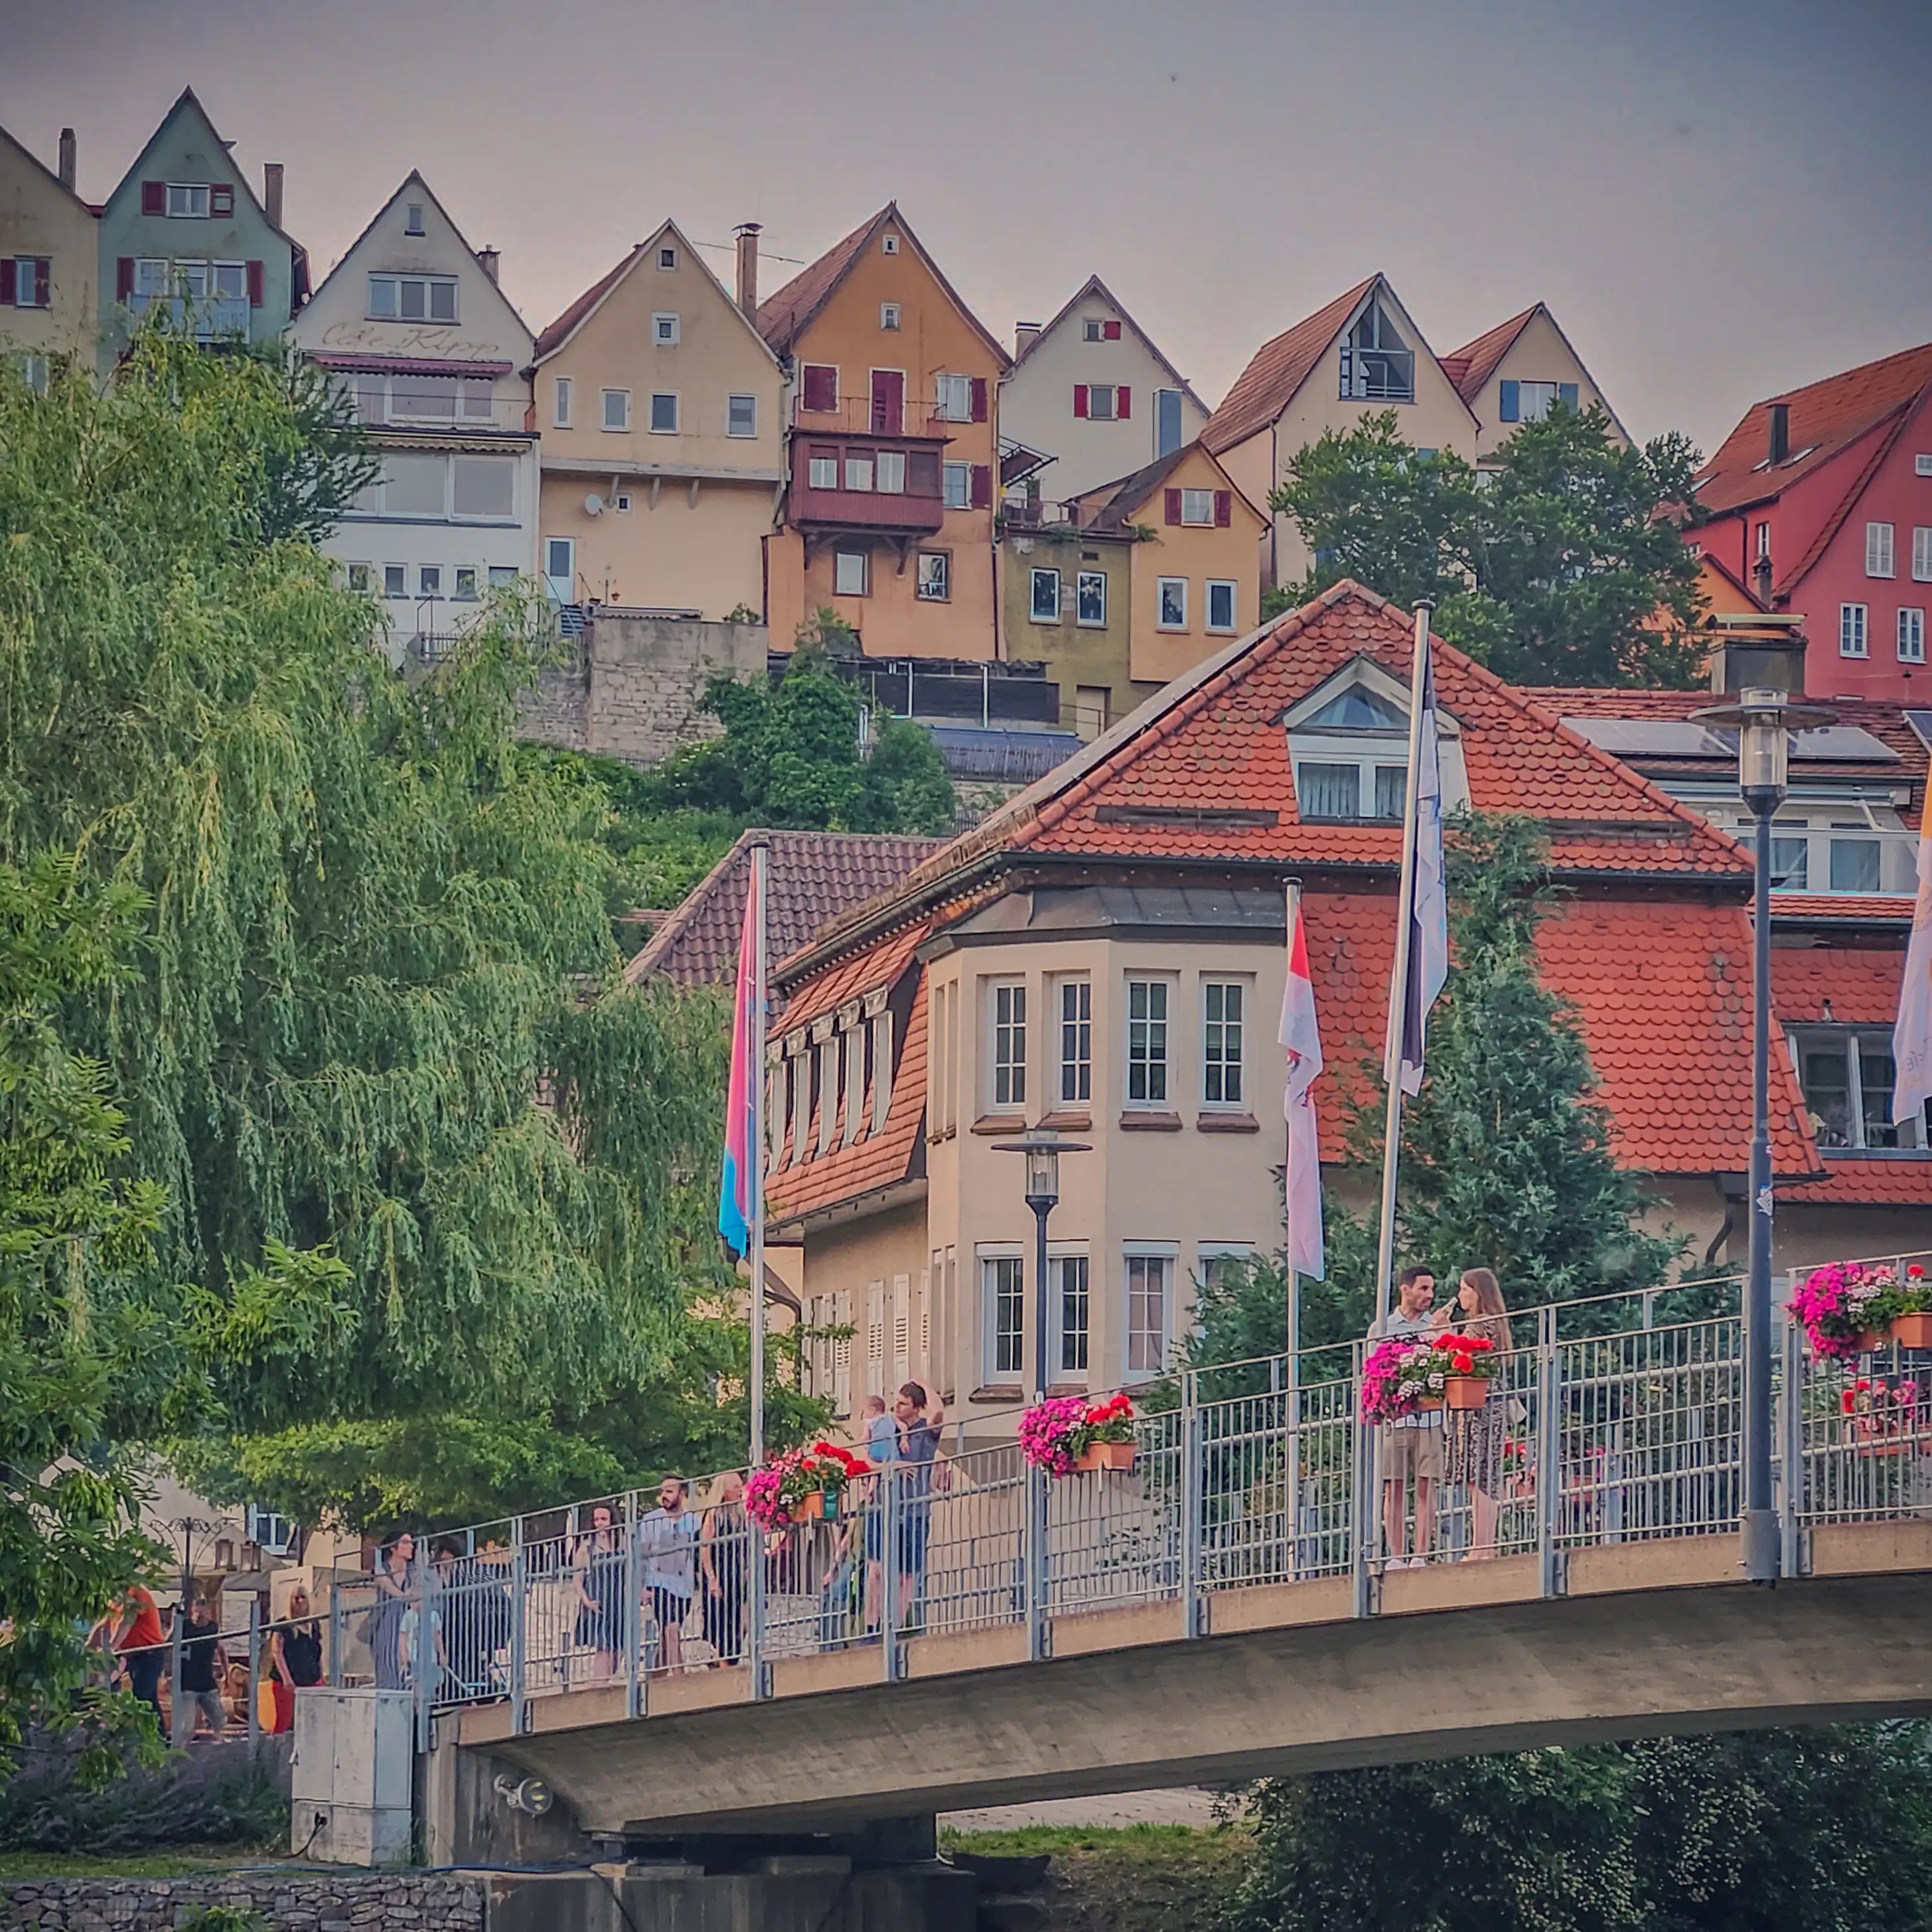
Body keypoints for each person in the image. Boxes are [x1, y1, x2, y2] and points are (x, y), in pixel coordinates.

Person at [1438, 1267, 1515, 1562]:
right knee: (1487, 1474)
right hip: (1491, 1402)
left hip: (1475, 1404)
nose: (1460, 1296)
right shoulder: (1496, 1322)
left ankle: (1480, 1546)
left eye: (1464, 1289)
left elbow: (1456, 1357)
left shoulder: (1480, 1323)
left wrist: (1443, 1331)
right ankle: (1486, 1544)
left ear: (1477, 1292)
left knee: (1476, 1474)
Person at [1369, 1266, 1442, 1569]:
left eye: (1431, 1290)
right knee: (1394, 1484)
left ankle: (1421, 1554)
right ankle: (1397, 1555)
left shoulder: (1436, 1325)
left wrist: (1440, 1334)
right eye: (1423, 1289)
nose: (1429, 1296)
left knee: (1427, 1483)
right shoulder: (1383, 1327)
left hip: (1430, 1416)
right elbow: (1372, 1372)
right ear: (1406, 1289)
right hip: (1397, 1417)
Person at [890, 1382, 945, 1631]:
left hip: (916, 1510)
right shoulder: (891, 1428)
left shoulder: (925, 1431)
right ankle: (890, 1622)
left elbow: (939, 1413)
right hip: (891, 1509)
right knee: (891, 1571)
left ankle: (906, 1624)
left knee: (911, 1573)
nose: (896, 1407)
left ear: (916, 1407)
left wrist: (924, 1384)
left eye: (903, 1403)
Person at [638, 1477, 700, 1672]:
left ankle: (657, 1677)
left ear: (682, 1494)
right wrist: (642, 1587)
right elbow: (641, 1555)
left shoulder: (693, 1521)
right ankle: (679, 1680)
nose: (664, 1496)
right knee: (671, 1630)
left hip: (684, 1587)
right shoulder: (650, 1520)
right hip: (659, 1584)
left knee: (669, 1635)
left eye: (670, 1491)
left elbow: (696, 1554)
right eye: (663, 1491)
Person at [569, 1504, 626, 1683]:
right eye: (596, 1520)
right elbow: (577, 1579)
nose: (600, 1524)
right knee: (603, 1647)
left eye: (604, 1519)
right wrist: (587, 1602)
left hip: (619, 1601)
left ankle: (607, 1680)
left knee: (619, 1648)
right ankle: (599, 1684)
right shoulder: (587, 1546)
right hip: (598, 1601)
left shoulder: (622, 1542)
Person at [698, 1472, 749, 1667]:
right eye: (735, 1486)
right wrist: (711, 1578)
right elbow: (705, 1548)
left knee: (739, 1621)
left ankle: (728, 1660)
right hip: (719, 1573)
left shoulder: (739, 1514)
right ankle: (722, 1662)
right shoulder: (713, 1516)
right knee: (720, 1622)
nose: (739, 1490)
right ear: (724, 1490)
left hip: (735, 1573)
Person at [172, 1594, 228, 1745]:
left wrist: (226, 1674)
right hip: (187, 1683)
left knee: (221, 1719)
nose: (199, 1613)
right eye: (196, 1609)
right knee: (187, 1728)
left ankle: (217, 1736)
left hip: (206, 1682)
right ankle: (180, 1750)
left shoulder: (213, 1628)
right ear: (192, 1610)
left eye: (202, 1608)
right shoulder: (184, 1626)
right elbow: (169, 1647)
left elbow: (221, 1651)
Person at [268, 1585, 325, 1733]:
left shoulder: (314, 1624)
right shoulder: (283, 1624)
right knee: (285, 1722)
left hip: (310, 1679)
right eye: (296, 1598)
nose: (299, 1601)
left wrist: (321, 1676)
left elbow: (318, 1652)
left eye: (303, 1597)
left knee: (311, 1721)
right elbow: (277, 1652)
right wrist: (287, 1679)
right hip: (288, 1682)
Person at [368, 1532, 417, 1690]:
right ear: (393, 1548)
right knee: (387, 1663)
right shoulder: (382, 1568)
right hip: (386, 1619)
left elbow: (418, 1590)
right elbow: (387, 1585)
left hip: (408, 1620)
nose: (411, 1546)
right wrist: (405, 1596)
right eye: (405, 1543)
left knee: (409, 1664)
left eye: (411, 1543)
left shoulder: (413, 1570)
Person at [114, 1584, 167, 1725]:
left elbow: (126, 1621)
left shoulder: (136, 1592)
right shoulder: (116, 1598)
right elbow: (105, 1623)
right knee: (149, 1699)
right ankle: (160, 1739)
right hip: (133, 1656)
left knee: (141, 1698)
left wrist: (112, 1648)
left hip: (149, 1653)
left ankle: (146, 1738)